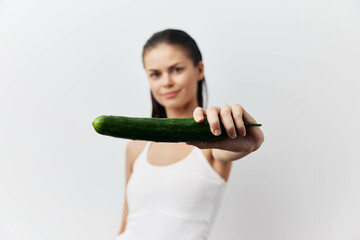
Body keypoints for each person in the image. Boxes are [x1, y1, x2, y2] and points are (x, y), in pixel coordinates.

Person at [116, 29, 264, 240]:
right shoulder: (136, 148)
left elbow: (240, 146)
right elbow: (126, 226)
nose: (166, 81)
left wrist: (252, 140)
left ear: (199, 69)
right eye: (155, 74)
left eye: (176, 69)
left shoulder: (214, 142)